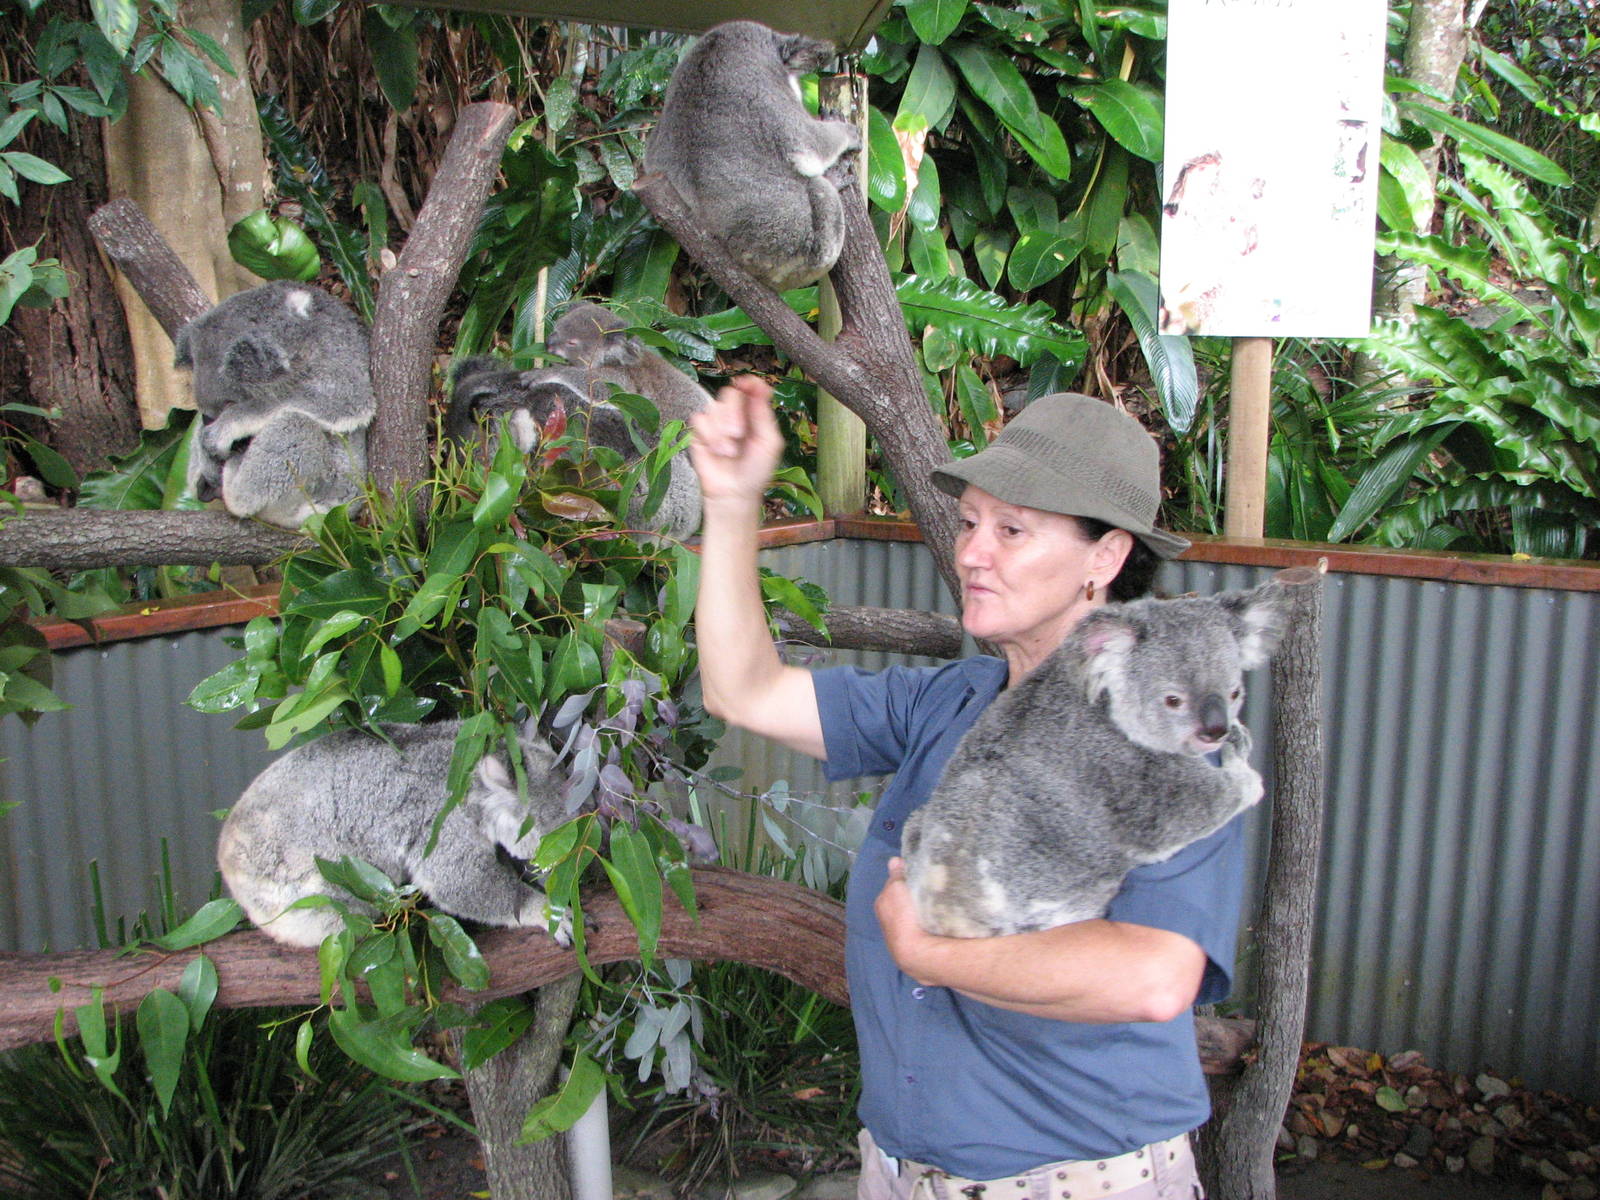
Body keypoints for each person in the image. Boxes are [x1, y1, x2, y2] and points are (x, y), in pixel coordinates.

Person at [689, 376, 1244, 1200]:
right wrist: (732, 504)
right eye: (969, 523)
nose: (973, 552)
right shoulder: (950, 703)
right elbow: (741, 688)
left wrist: (931, 954)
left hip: (1078, 1180)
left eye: (1013, 530)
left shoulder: (1160, 746)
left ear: (1107, 556)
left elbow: (1154, 977)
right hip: (905, 1168)